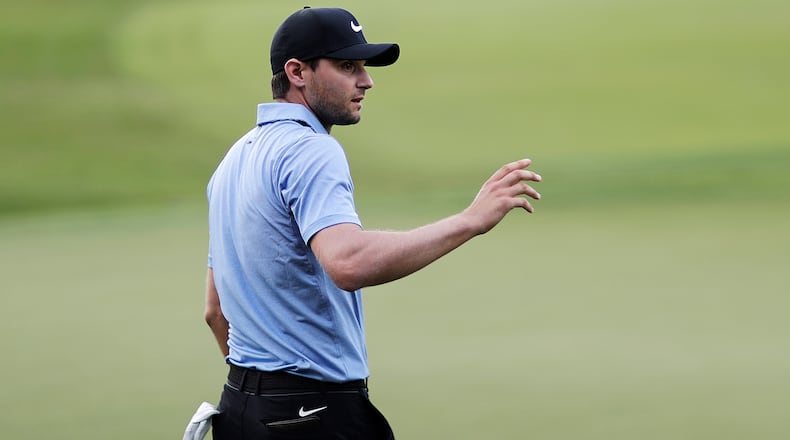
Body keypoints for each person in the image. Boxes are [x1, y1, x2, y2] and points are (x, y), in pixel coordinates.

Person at [203, 6, 542, 439]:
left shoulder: (233, 160)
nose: (366, 80)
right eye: (347, 66)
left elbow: (216, 313)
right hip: (314, 413)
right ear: (297, 72)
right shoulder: (311, 150)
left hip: (239, 409)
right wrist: (469, 221)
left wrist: (260, 396)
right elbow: (348, 263)